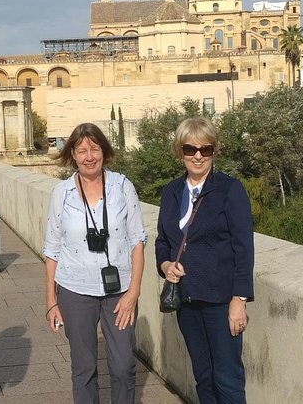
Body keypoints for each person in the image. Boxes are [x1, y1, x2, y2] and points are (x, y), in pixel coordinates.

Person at [43, 123, 147, 404]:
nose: (89, 156)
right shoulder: (62, 193)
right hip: (74, 291)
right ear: (73, 156)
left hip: (119, 292)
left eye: (95, 149)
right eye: (82, 150)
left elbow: (138, 241)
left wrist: (133, 293)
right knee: (84, 368)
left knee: (124, 365)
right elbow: (52, 249)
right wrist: (51, 300)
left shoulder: (122, 186)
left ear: (105, 151)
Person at [155, 116, 254, 404]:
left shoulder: (228, 190)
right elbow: (163, 241)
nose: (198, 156)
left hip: (221, 300)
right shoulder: (171, 192)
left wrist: (239, 300)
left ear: (214, 152)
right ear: (180, 151)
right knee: (203, 376)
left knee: (228, 378)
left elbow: (243, 248)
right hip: (186, 300)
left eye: (205, 149)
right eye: (190, 149)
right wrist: (165, 266)